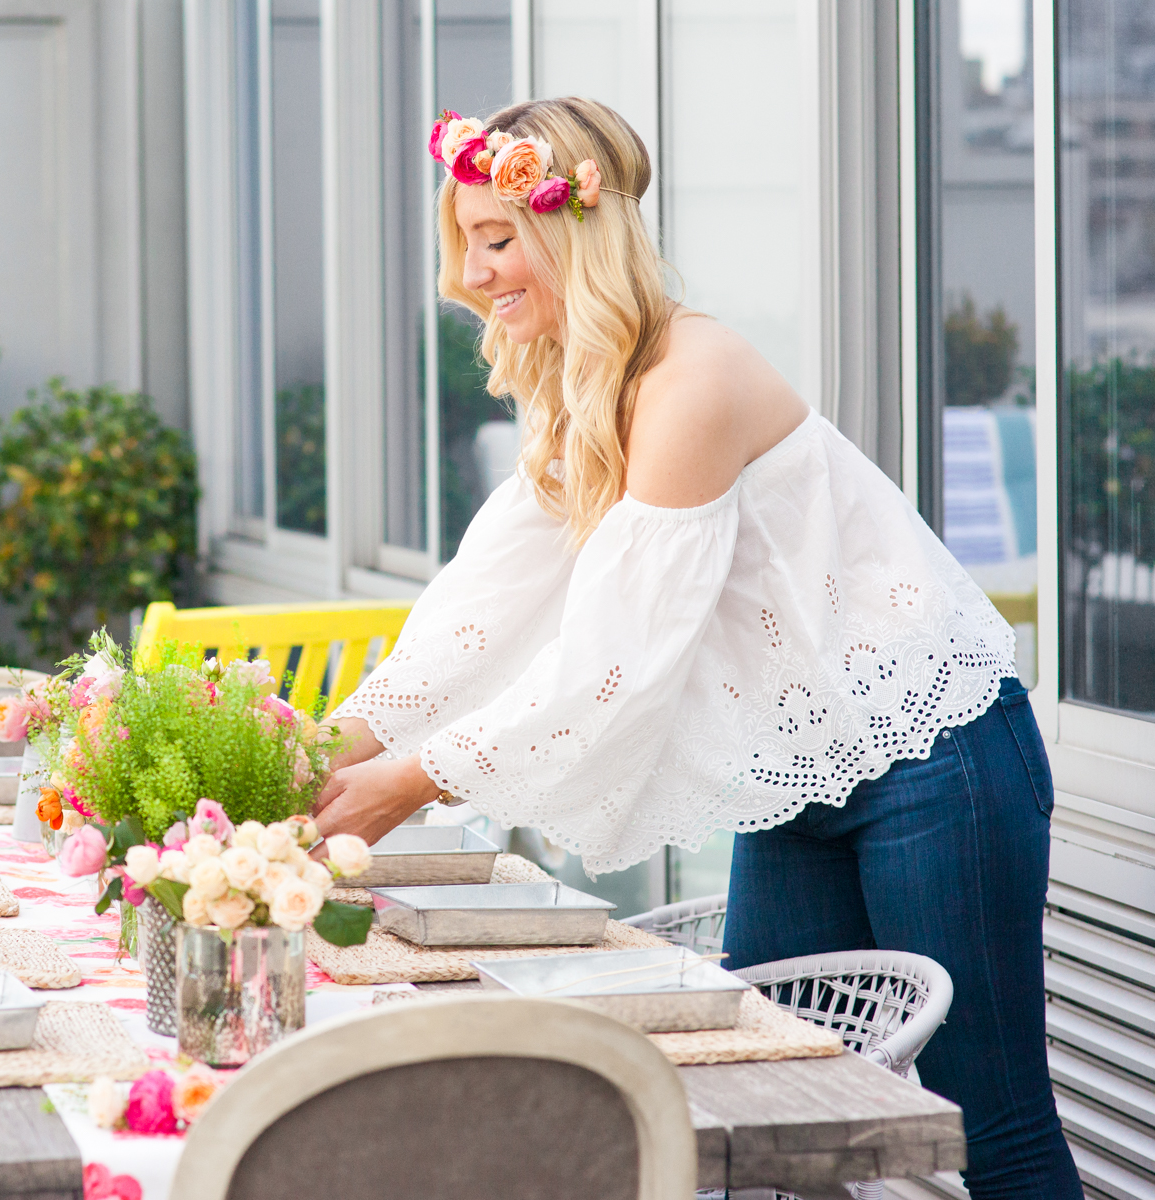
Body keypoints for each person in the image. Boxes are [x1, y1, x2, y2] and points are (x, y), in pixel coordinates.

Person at [313, 96, 1079, 1199]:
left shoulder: (688, 381)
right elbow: (475, 613)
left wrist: (404, 783)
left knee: (985, 1122)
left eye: (493, 238)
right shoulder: (584, 387)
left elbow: (607, 666)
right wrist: (319, 748)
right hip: (797, 773)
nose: (465, 277)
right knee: (761, 1093)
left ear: (575, 228)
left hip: (934, 759)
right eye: (462, 243)